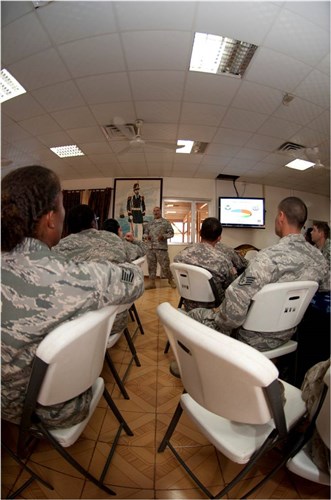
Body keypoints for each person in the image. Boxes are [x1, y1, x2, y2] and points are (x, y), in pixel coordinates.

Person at [1, 166, 144, 429]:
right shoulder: (75, 277)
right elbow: (134, 282)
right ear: (51, 219)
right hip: (42, 411)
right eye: (62, 205)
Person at [188, 197, 330, 352]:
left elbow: (236, 303)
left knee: (192, 315)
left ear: (281, 216)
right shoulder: (319, 258)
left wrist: (218, 320)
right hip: (288, 333)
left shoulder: (267, 258)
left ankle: (196, 362)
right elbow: (325, 286)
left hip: (250, 338)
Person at [54, 206, 146, 334]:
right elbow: (139, 254)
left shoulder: (58, 247)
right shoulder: (113, 239)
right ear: (93, 222)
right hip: (113, 322)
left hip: (72, 330)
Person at [174, 218, 236, 311]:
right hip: (213, 308)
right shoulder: (223, 260)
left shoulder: (180, 256)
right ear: (219, 238)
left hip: (188, 304)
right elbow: (232, 286)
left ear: (200, 233)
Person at [143, 206, 176, 289]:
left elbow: (171, 233)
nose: (156, 212)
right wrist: (147, 237)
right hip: (150, 248)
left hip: (161, 248)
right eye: (154, 211)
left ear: (160, 211)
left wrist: (164, 236)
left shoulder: (166, 222)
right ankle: (152, 283)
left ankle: (170, 280)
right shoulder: (150, 223)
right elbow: (145, 233)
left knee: (165, 266)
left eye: (157, 210)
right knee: (151, 266)